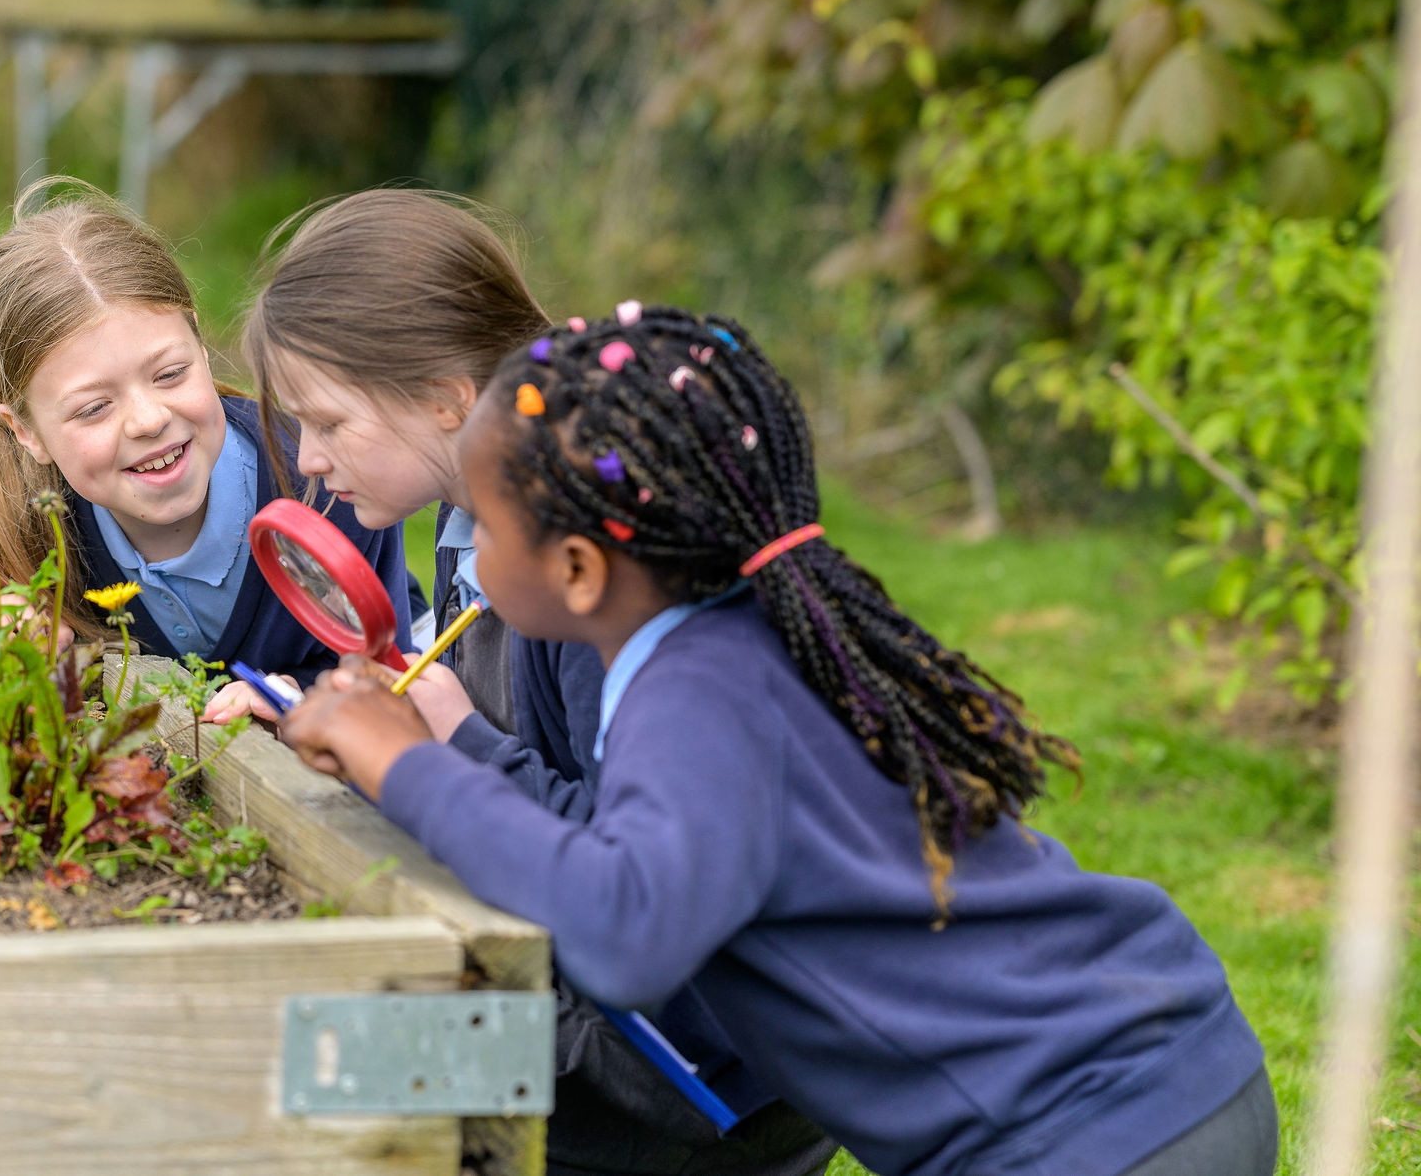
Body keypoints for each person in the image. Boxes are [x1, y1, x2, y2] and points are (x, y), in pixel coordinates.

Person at [277, 304, 1277, 1176]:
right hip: (1155, 1069)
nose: (472, 556)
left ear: (579, 570)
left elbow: (623, 936)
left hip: (1081, 1133)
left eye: (485, 532)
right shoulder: (740, 645)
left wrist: (400, 762)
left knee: (325, 1063)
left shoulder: (692, 695)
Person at [243, 191, 837, 1175]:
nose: (307, 462)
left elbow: (636, 881)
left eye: (326, 422)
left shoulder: (590, 585)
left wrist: (449, 745)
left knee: (302, 1067)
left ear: (441, 397)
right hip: (613, 1025)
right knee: (286, 1047)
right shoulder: (472, 510)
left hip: (684, 1085)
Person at [0, 178, 412, 712]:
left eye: (169, 374)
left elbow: (398, 672)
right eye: (93, 408)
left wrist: (308, 701)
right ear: (25, 432)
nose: (147, 420)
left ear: (202, 349)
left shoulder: (329, 483)